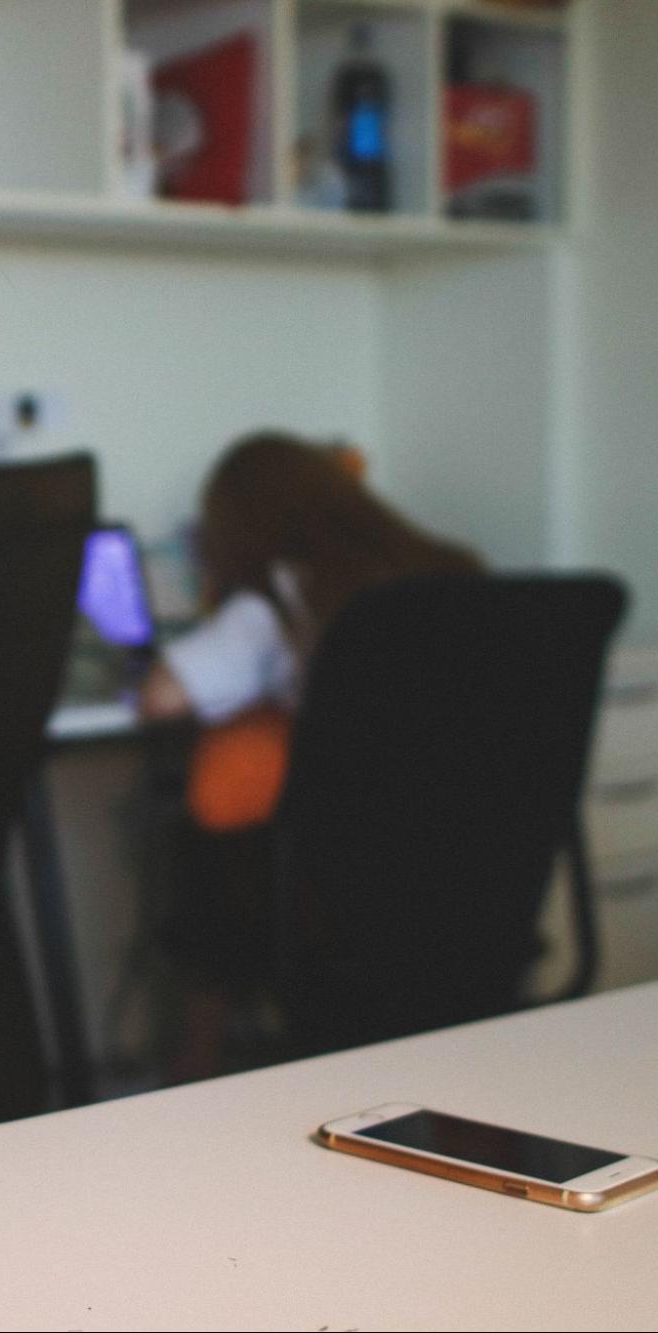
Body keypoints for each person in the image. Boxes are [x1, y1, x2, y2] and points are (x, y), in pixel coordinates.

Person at [137, 431, 482, 1078]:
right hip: (472, 867)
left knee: (208, 848)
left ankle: (192, 1069)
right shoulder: (455, 573)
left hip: (339, 881)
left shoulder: (274, 597)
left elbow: (159, 698)